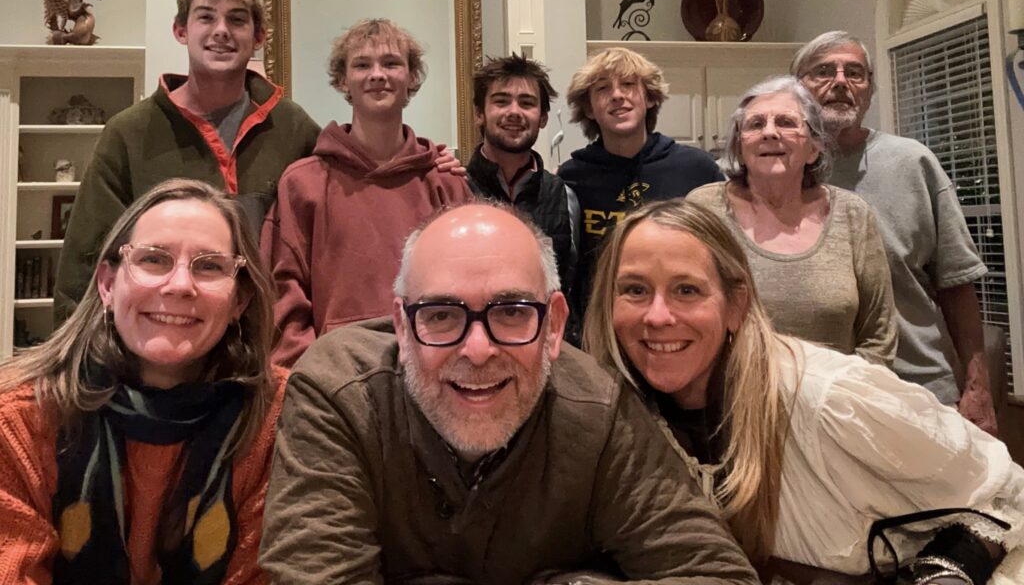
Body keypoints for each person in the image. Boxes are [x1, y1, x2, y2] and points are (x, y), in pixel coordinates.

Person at [258, 203, 759, 585]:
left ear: (555, 325)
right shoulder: (340, 393)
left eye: (512, 312)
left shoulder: (599, 410)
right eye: (441, 315)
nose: (478, 350)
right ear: (402, 328)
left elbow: (716, 574)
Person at [584, 198, 1024, 583]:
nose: (657, 316)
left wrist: (944, 573)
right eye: (635, 290)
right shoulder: (623, 419)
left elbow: (1007, 495)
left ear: (736, 305)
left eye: (687, 290)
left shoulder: (830, 400)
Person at [0, 179, 287, 583]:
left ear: (239, 300)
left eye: (209, 266)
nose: (180, 285)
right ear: (107, 284)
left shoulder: (281, 419)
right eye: (154, 259)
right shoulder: (19, 421)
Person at [54, 0, 322, 324]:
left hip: (273, 339)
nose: (221, 30)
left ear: (259, 37)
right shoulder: (128, 133)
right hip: (166, 332)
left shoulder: (293, 128)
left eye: (237, 19)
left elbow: (328, 238)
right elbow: (86, 262)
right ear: (181, 31)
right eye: (206, 17)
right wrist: (83, 350)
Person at [791, 30, 998, 433]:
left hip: (917, 390)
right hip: (807, 394)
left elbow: (956, 283)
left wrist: (978, 388)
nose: (840, 82)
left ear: (869, 89)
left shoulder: (913, 163)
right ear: (795, 88)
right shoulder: (774, 169)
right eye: (823, 72)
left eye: (854, 73)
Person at [261, 18, 473, 369]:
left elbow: (470, 284)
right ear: (343, 81)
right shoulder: (303, 183)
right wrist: (306, 371)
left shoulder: (446, 183)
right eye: (362, 65)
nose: (377, 75)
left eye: (391, 63)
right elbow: (283, 291)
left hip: (433, 372)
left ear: (411, 77)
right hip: (333, 374)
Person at [688, 75, 896, 365]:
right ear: (739, 148)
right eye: (755, 124)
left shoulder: (852, 214)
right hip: (729, 391)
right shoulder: (704, 208)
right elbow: (684, 313)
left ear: (813, 148)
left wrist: (842, 390)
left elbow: (879, 334)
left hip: (837, 391)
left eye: (786, 122)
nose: (769, 133)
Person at [558, 46, 722, 318]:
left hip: (681, 316)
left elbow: (723, 255)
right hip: (599, 322)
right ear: (588, 109)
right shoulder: (571, 178)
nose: (617, 95)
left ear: (650, 98)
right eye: (602, 88)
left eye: (628, 84)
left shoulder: (698, 170)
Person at [466, 53, 581, 340]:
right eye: (501, 101)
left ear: (543, 118)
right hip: (472, 340)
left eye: (527, 103)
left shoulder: (564, 195)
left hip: (543, 345)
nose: (514, 112)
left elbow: (570, 286)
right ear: (479, 113)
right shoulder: (453, 188)